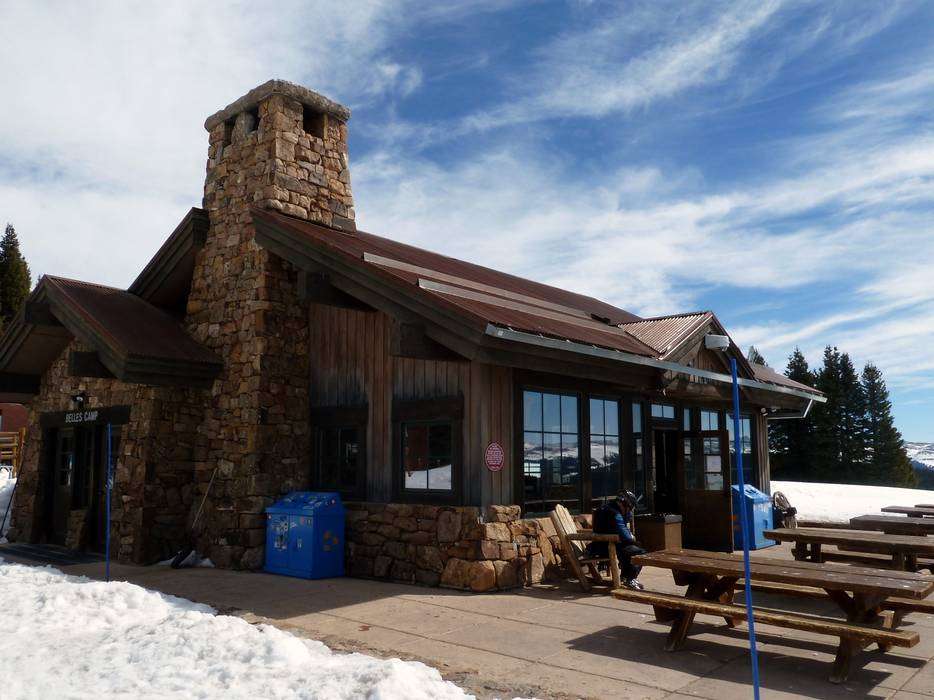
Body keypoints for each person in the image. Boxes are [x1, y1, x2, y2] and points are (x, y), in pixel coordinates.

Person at [589, 491, 646, 589]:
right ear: (624, 504)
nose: (629, 511)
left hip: (597, 546)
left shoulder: (602, 509)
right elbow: (626, 536)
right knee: (639, 551)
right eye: (630, 508)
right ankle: (629, 579)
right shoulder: (615, 514)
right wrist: (635, 541)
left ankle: (626, 577)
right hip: (608, 547)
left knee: (630, 548)